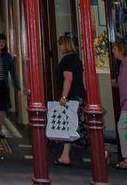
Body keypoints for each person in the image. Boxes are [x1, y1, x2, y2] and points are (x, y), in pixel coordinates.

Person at [55, 34, 87, 167]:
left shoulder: (67, 60)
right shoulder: (76, 59)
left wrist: (63, 96)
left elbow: (68, 78)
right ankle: (65, 156)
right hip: (79, 95)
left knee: (75, 126)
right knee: (72, 126)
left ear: (65, 45)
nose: (60, 47)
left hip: (72, 97)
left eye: (60, 44)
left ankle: (102, 153)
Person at [111, 39, 127, 170]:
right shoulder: (123, 65)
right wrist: (116, 83)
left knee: (122, 126)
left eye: (114, 49)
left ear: (121, 50)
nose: (113, 51)